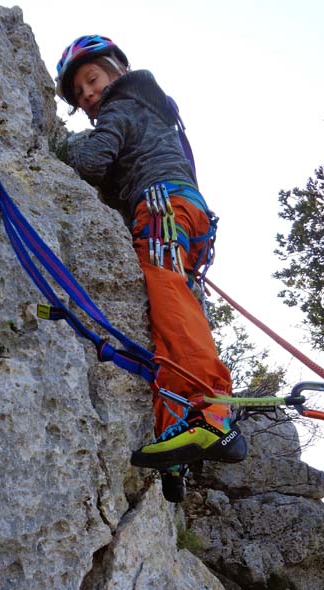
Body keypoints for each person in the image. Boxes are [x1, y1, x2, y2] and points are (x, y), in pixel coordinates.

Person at [55, 35, 246, 500]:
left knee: (170, 300)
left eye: (92, 80)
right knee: (167, 315)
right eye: (80, 96)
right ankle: (176, 434)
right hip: (186, 214)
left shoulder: (123, 106)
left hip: (162, 204)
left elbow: (94, 161)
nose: (89, 96)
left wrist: (62, 146)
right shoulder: (155, 111)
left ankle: (211, 413)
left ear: (116, 71)